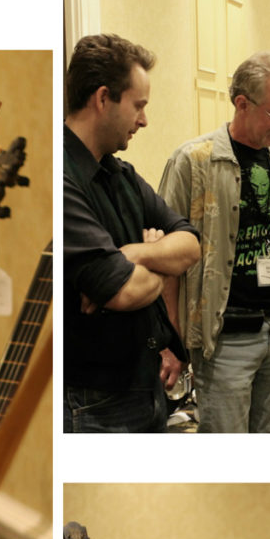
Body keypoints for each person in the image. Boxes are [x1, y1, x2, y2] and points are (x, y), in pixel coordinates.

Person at [158, 51, 270, 432]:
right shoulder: (193, 162)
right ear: (242, 103)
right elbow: (165, 262)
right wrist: (169, 340)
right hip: (224, 341)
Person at [64, 33, 200, 433]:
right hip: (92, 400)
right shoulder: (62, 178)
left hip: (145, 382)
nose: (144, 119)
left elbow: (191, 244)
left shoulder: (120, 173)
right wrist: (157, 254)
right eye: (138, 105)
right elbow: (123, 292)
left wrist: (132, 254)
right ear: (103, 98)